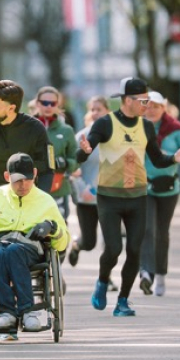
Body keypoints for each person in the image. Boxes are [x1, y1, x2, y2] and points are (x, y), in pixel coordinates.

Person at [76, 77, 180, 317]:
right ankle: (102, 282)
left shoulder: (146, 127)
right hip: (110, 196)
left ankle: (123, 300)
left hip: (138, 196)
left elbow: (157, 158)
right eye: (142, 100)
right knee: (113, 248)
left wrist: (175, 158)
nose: (146, 104)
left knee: (134, 249)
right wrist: (85, 150)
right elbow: (83, 153)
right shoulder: (105, 124)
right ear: (127, 100)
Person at [0, 153, 71, 341]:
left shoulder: (45, 201)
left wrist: (52, 228)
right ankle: (11, 313)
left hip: (29, 247)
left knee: (13, 251)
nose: (23, 185)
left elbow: (63, 242)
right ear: (7, 177)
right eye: (17, 181)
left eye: (27, 180)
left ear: (35, 174)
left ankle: (21, 312)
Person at [0, 80, 54, 202]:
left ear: (11, 108)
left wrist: (40, 201)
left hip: (25, 202)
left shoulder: (36, 129)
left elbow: (47, 170)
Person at [138, 91, 180, 297]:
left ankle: (160, 274)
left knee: (162, 232)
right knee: (147, 230)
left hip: (168, 188)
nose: (151, 110)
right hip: (144, 187)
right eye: (148, 106)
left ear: (164, 108)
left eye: (156, 106)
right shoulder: (137, 128)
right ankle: (146, 273)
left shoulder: (175, 130)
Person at [65, 95, 109, 268]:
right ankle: (77, 244)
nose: (96, 113)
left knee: (110, 241)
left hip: (109, 196)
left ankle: (106, 277)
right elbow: (73, 168)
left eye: (99, 109)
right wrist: (83, 189)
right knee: (89, 242)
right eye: (93, 109)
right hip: (87, 197)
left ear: (107, 111)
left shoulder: (113, 136)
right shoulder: (82, 137)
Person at [34, 86, 76, 220]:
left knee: (59, 232)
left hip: (58, 187)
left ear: (58, 104)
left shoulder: (66, 130)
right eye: (44, 103)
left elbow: (75, 159)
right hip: (32, 189)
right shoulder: (27, 127)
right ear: (37, 103)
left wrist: (65, 163)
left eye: (53, 103)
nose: (48, 106)